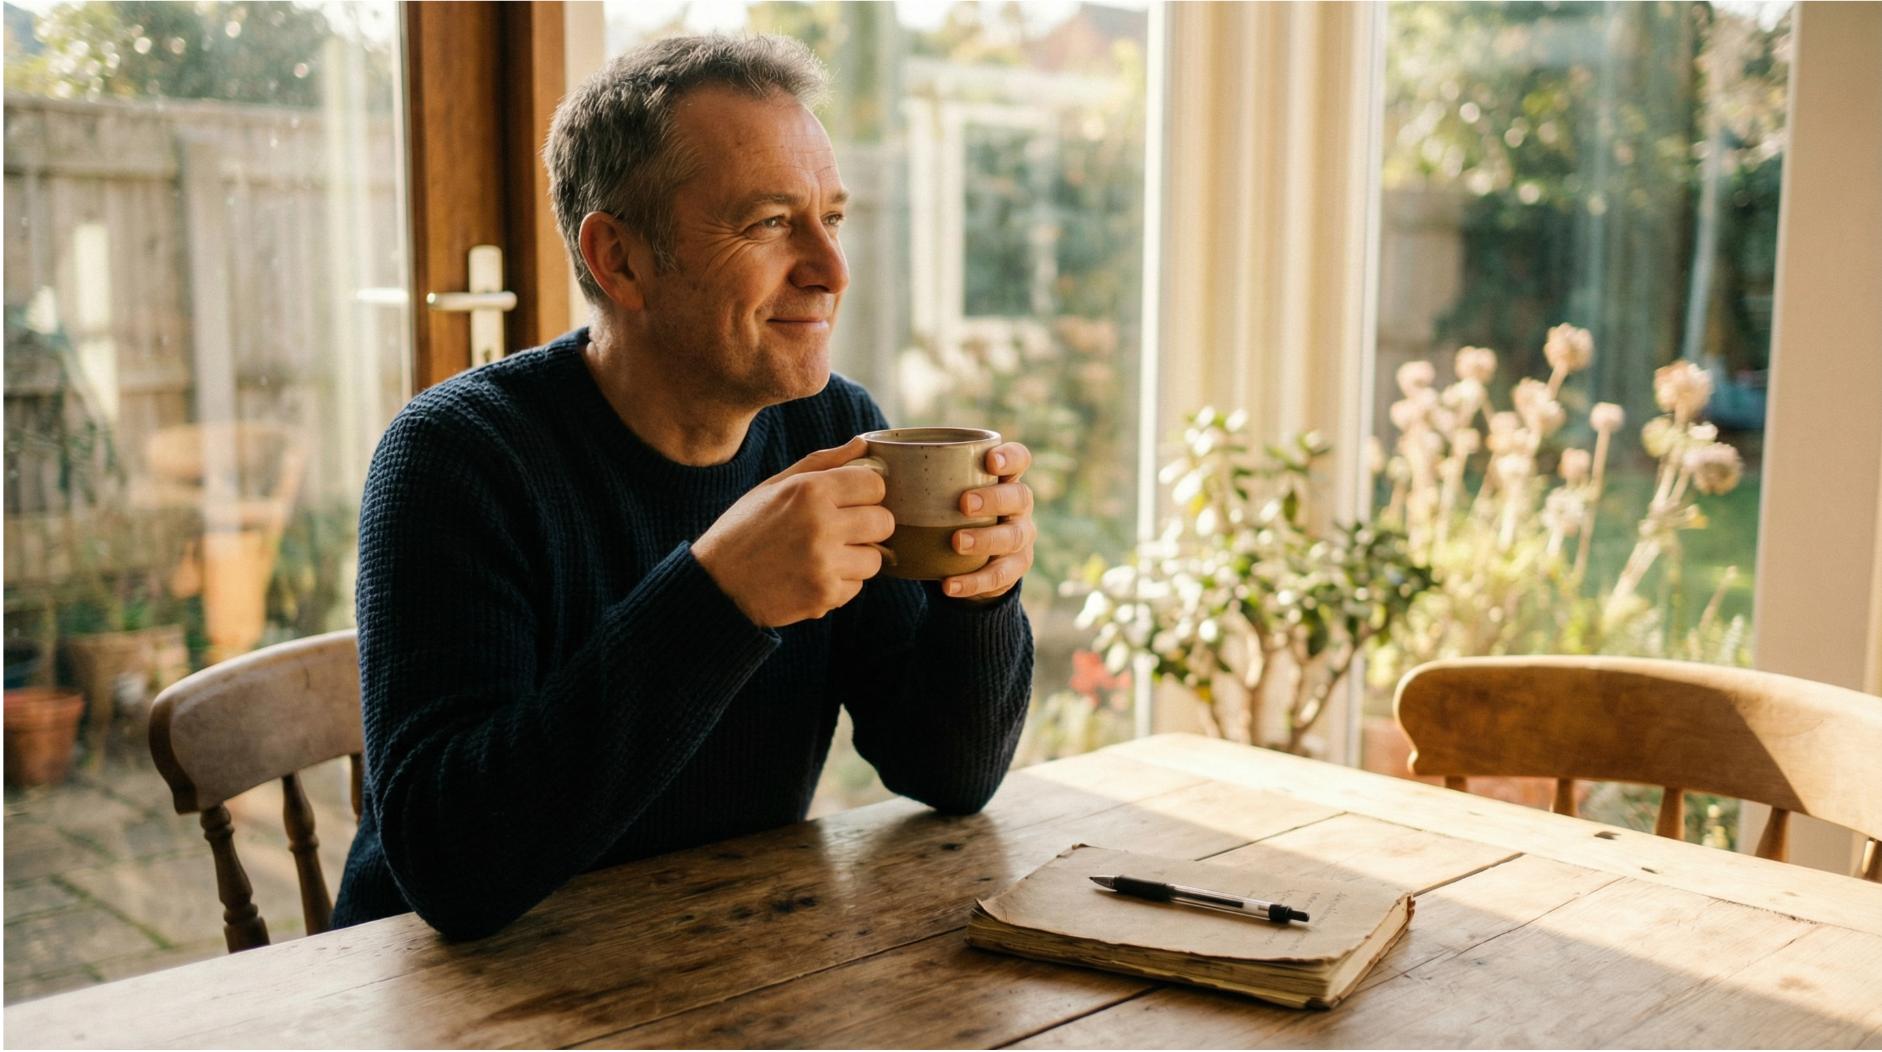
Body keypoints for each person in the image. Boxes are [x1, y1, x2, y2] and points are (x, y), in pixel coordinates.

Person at [330, 34, 1037, 940]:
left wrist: (980, 594)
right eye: (772, 222)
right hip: (439, 994)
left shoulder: (829, 433)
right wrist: (720, 596)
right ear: (619, 258)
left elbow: (948, 775)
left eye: (833, 217)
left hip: (711, 963)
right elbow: (450, 864)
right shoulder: (456, 458)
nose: (832, 270)